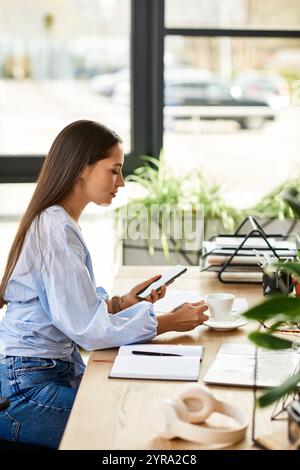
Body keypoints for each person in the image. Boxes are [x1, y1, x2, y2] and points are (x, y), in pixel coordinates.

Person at [0, 120, 208, 448]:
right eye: (114, 170)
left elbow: (70, 311)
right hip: (25, 391)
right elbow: (88, 331)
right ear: (82, 168)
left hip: (44, 373)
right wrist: (168, 322)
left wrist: (121, 303)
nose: (121, 182)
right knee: (132, 428)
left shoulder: (59, 221)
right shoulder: (55, 227)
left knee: (143, 407)